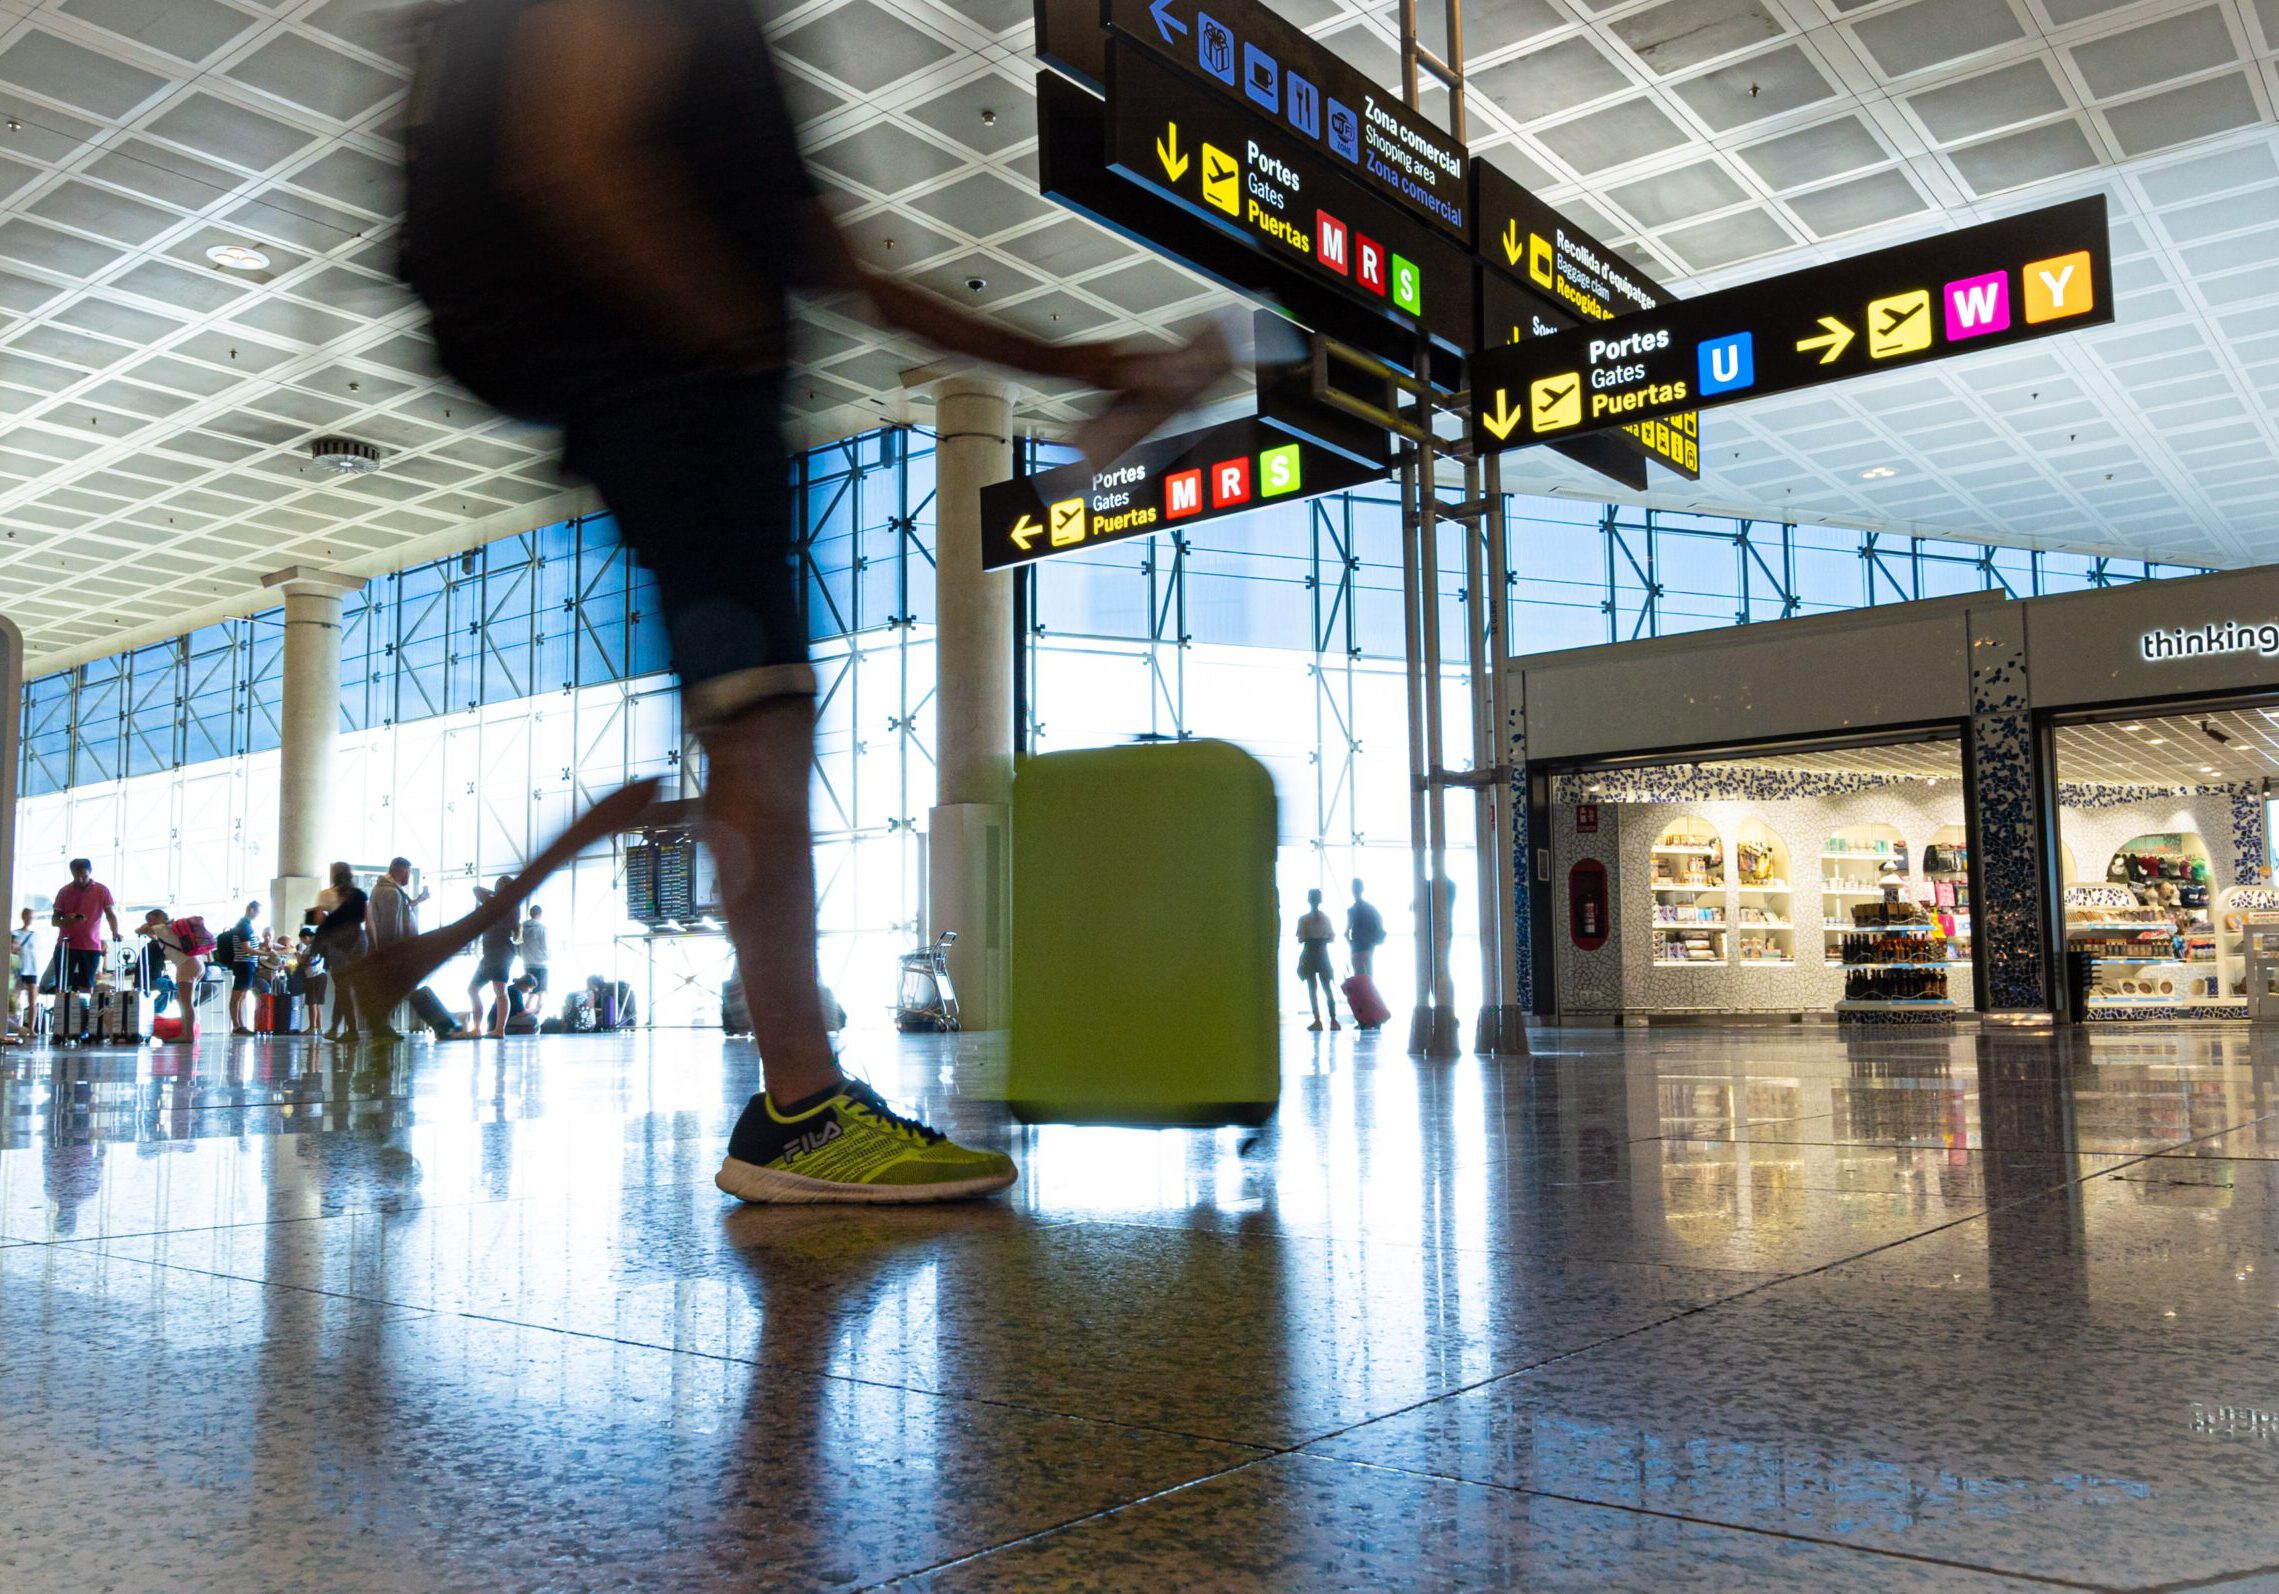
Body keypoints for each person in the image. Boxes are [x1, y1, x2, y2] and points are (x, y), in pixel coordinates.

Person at [393, 0, 1231, 1203]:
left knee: (763, 715)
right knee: (762, 721)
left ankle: (800, 1103)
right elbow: (569, 155)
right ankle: (799, 1109)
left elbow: (856, 280)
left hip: (678, 392)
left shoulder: (731, 50)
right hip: (674, 390)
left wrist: (1094, 368)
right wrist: (723, 335)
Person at [51, 859, 119, 1044]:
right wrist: (68, 920)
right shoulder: (65, 891)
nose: (81, 880)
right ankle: (60, 1029)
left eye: (84, 876)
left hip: (91, 946)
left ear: (90, 872)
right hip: (66, 945)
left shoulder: (101, 890)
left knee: (86, 986)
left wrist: (115, 931)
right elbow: (55, 920)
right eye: (77, 876)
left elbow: (111, 914)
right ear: (72, 873)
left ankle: (84, 1029)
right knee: (62, 986)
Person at [310, 863, 378, 1041]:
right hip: (359, 940)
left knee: (342, 987)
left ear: (333, 875)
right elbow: (368, 922)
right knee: (347, 987)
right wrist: (374, 945)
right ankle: (334, 1028)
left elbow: (318, 920)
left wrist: (327, 919)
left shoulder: (326, 894)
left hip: (339, 942)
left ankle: (352, 1030)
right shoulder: (360, 895)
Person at [137, 911, 207, 1046]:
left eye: (150, 919)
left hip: (186, 966)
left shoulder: (161, 928)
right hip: (197, 964)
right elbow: (157, 938)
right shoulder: (172, 928)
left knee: (186, 1003)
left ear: (158, 917)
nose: (149, 922)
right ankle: (188, 1032)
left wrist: (147, 926)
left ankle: (187, 1035)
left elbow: (140, 930)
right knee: (183, 1000)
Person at [468, 878, 517, 1038]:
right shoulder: (508, 904)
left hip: (500, 951)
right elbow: (476, 890)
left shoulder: (501, 904)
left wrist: (495, 894)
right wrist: (496, 893)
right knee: (484, 989)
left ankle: (494, 1029)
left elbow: (476, 890)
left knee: (496, 990)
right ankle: (488, 1029)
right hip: (495, 952)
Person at [1296, 888, 1340, 1033]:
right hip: (1322, 953)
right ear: (1320, 900)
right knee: (1327, 987)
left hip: (1309, 953)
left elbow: (1301, 939)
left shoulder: (1303, 919)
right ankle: (1333, 1020)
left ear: (1308, 900)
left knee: (1312, 989)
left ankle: (1317, 1020)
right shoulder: (1326, 918)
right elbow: (1332, 937)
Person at [222, 900, 261, 1036]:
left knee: (242, 996)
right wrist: (265, 953)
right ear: (251, 910)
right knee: (237, 996)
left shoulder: (246, 925)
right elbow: (247, 948)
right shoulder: (244, 926)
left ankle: (240, 1025)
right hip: (244, 964)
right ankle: (237, 1025)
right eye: (258, 912)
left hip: (247, 964)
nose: (258, 915)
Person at [369, 858, 424, 952]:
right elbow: (390, 929)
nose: (409, 876)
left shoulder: (385, 888)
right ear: (403, 871)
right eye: (409, 872)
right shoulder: (391, 892)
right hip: (395, 951)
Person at [1346, 879, 1385, 979]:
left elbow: (1346, 933)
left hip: (1357, 948)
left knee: (1359, 978)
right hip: (1369, 947)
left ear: (1352, 890)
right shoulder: (1371, 909)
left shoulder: (1352, 910)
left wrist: (1352, 944)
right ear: (1362, 889)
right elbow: (1379, 926)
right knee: (1368, 978)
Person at [12, 907, 38, 1036]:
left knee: (32, 1001)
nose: (29, 919)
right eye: (27, 916)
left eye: (31, 916)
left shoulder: (35, 935)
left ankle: (31, 1029)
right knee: (15, 999)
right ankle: (16, 1027)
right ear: (23, 917)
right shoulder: (15, 934)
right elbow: (13, 949)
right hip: (18, 970)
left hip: (32, 969)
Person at [518, 904, 549, 994]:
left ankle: (527, 1007)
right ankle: (538, 1008)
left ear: (530, 914)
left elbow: (516, 944)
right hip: (541, 963)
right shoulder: (541, 927)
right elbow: (545, 945)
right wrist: (547, 957)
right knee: (541, 991)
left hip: (527, 962)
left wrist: (522, 955)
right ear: (540, 914)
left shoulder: (521, 927)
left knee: (530, 989)